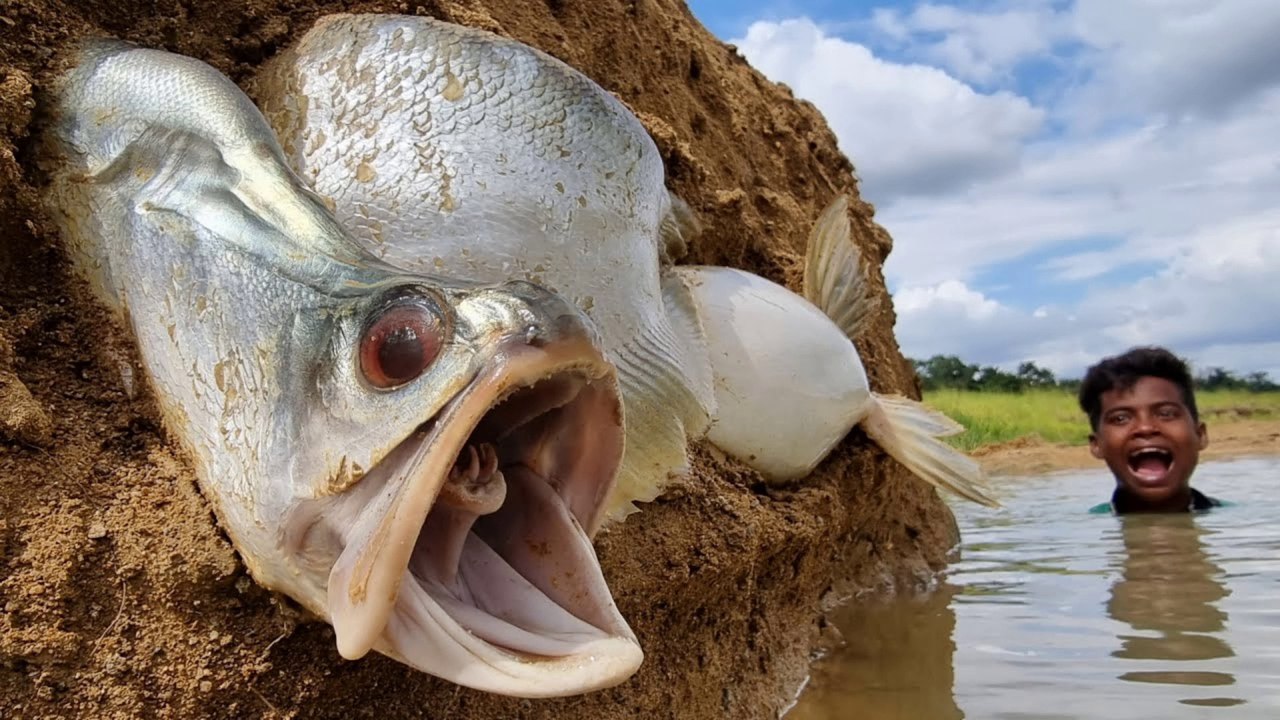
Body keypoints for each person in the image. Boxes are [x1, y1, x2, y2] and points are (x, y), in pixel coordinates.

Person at [1078, 346, 1224, 514]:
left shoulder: (1235, 518)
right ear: (1097, 445)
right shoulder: (1083, 525)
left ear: (1200, 435)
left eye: (1166, 414)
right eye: (1120, 418)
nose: (1145, 428)